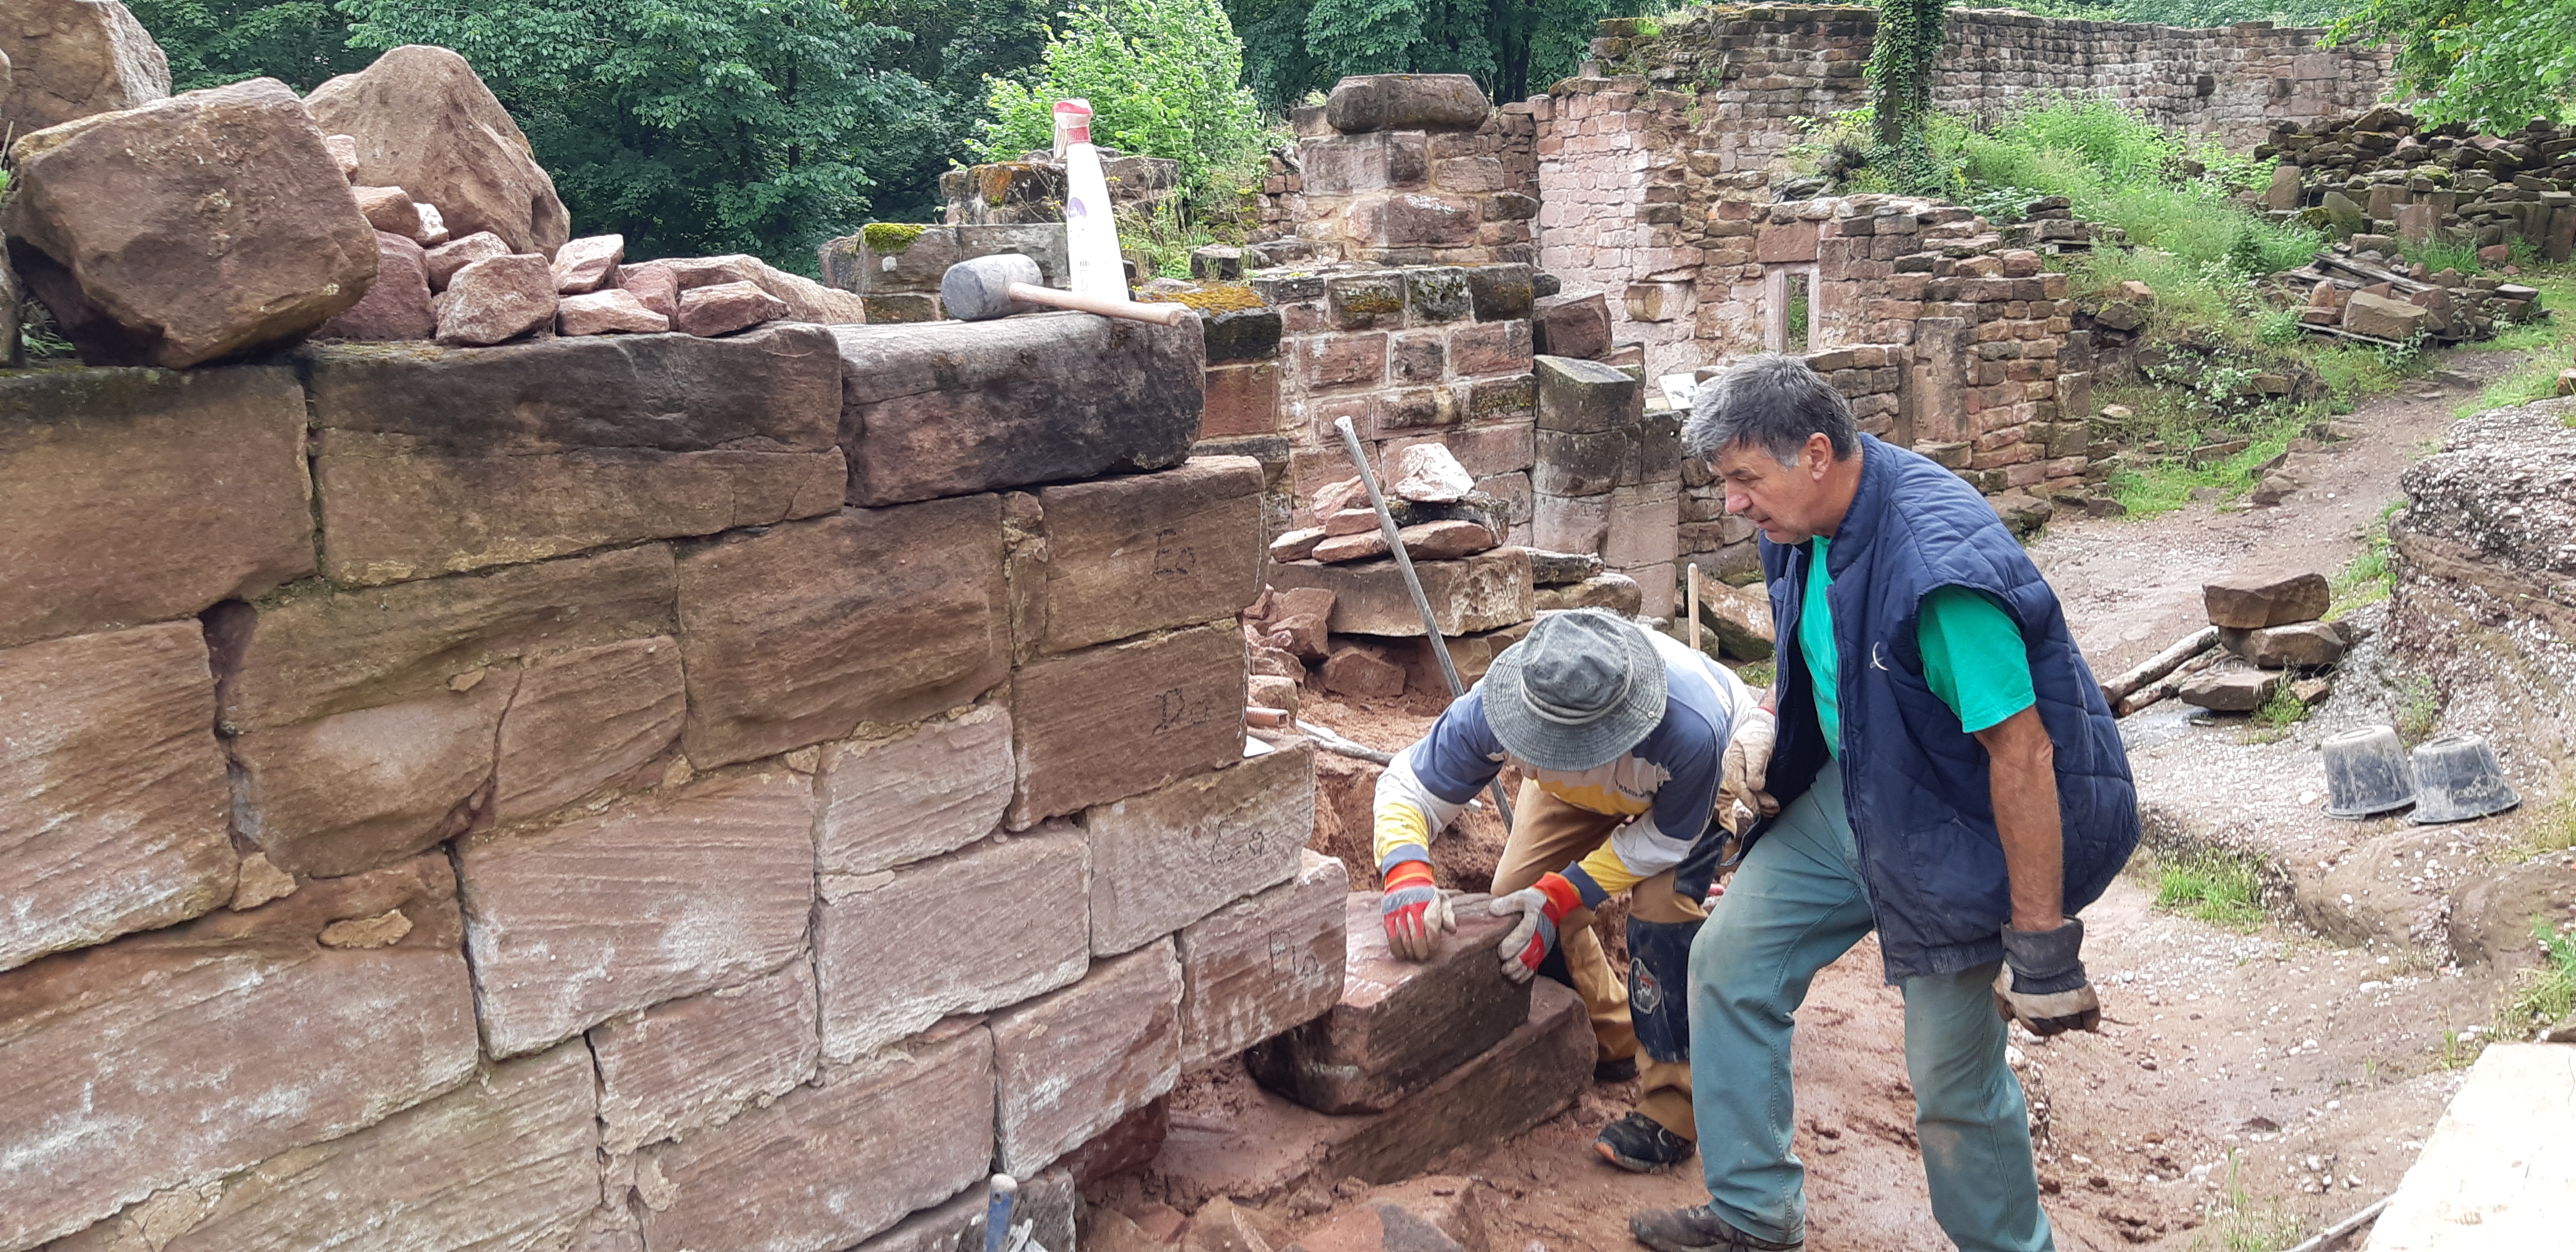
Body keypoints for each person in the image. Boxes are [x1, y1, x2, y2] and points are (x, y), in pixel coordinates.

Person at [1629, 355, 2140, 1252]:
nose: (1734, 503)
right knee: (1729, 965)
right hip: (1860, 792)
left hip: (1964, 828)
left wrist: (2041, 946)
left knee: (1952, 1085)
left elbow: (2022, 755)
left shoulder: (1938, 577)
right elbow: (1828, 651)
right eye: (1725, 482)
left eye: (1745, 479)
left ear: (1815, 454)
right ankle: (1754, 1216)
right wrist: (1771, 728)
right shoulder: (1801, 524)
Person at [1371, 606, 1762, 1173]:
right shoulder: (1500, 705)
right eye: (1539, 744)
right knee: (1516, 895)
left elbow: (1664, 842)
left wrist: (1564, 894)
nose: (1542, 755)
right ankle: (1614, 1035)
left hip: (1685, 799)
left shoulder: (1692, 731)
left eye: (1564, 748)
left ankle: (1673, 1110)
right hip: (1586, 791)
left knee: (1661, 916)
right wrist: (1406, 871)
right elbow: (1408, 785)